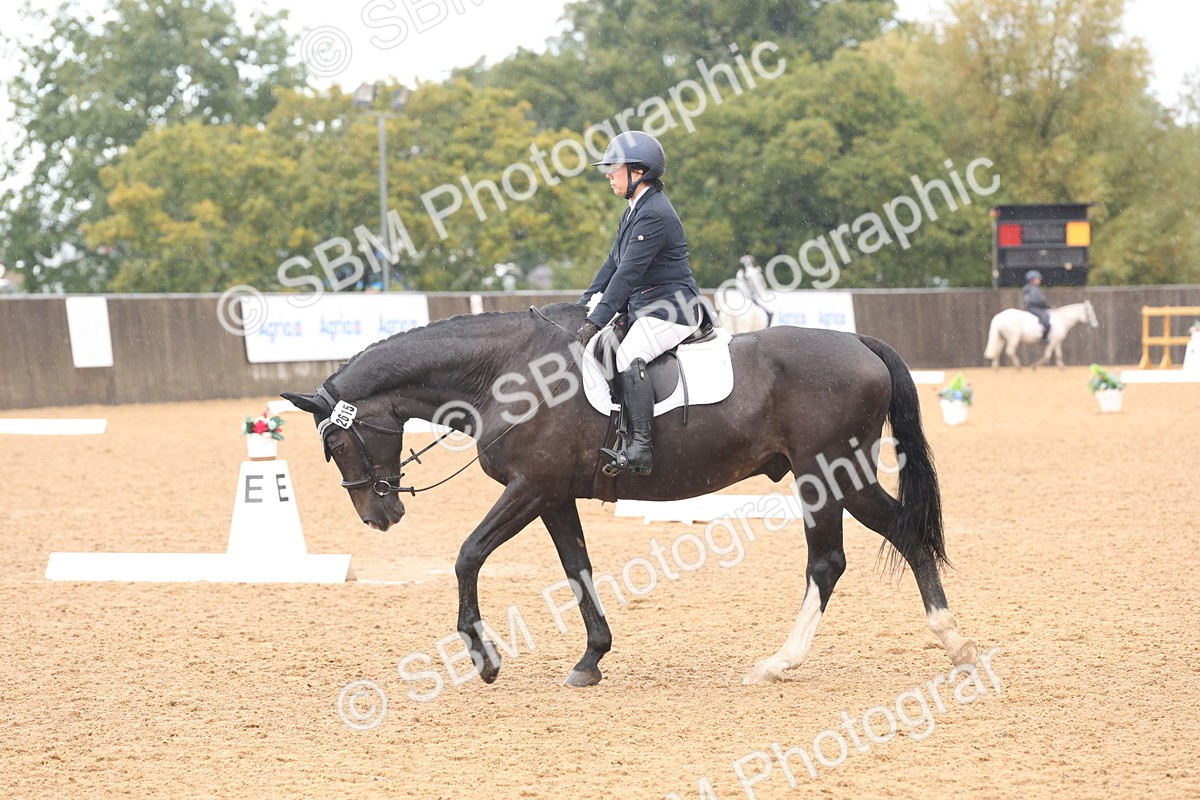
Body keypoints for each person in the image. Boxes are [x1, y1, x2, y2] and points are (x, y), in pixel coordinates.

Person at [573, 130, 704, 476]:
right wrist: (583, 304)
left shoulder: (653, 214)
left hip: (672, 309)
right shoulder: (635, 209)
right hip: (647, 305)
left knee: (629, 356)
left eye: (613, 168)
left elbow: (628, 275)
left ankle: (641, 447)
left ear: (638, 172)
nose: (607, 174)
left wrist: (594, 322)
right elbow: (613, 264)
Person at [1022, 270, 1052, 343]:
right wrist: (1046, 305)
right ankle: (1043, 337)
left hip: (1033, 307)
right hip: (1035, 308)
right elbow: (1039, 300)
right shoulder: (1033, 289)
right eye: (1037, 278)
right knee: (1045, 318)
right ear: (1032, 280)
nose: (1039, 280)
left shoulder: (1029, 288)